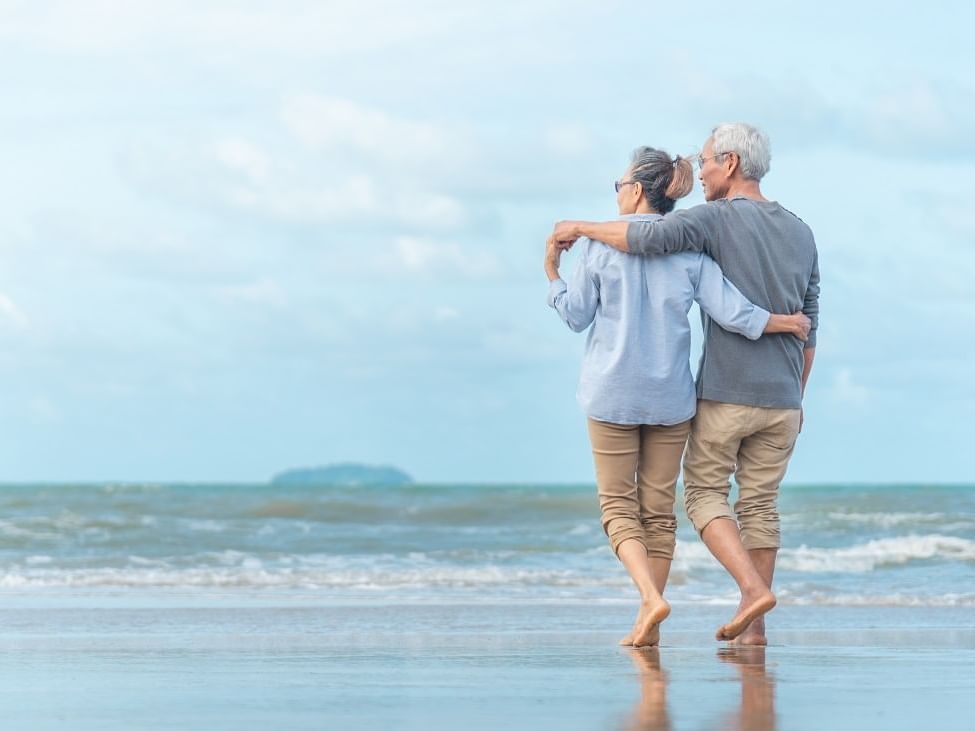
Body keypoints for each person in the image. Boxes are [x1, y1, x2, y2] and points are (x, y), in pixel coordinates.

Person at [551, 123, 820, 645]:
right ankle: (744, 629)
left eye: (707, 162)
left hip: (663, 394)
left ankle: (668, 600)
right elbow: (763, 314)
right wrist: (788, 345)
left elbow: (597, 291)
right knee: (701, 509)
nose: (702, 173)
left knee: (652, 502)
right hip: (721, 398)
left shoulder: (681, 231)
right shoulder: (781, 235)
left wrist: (564, 254)